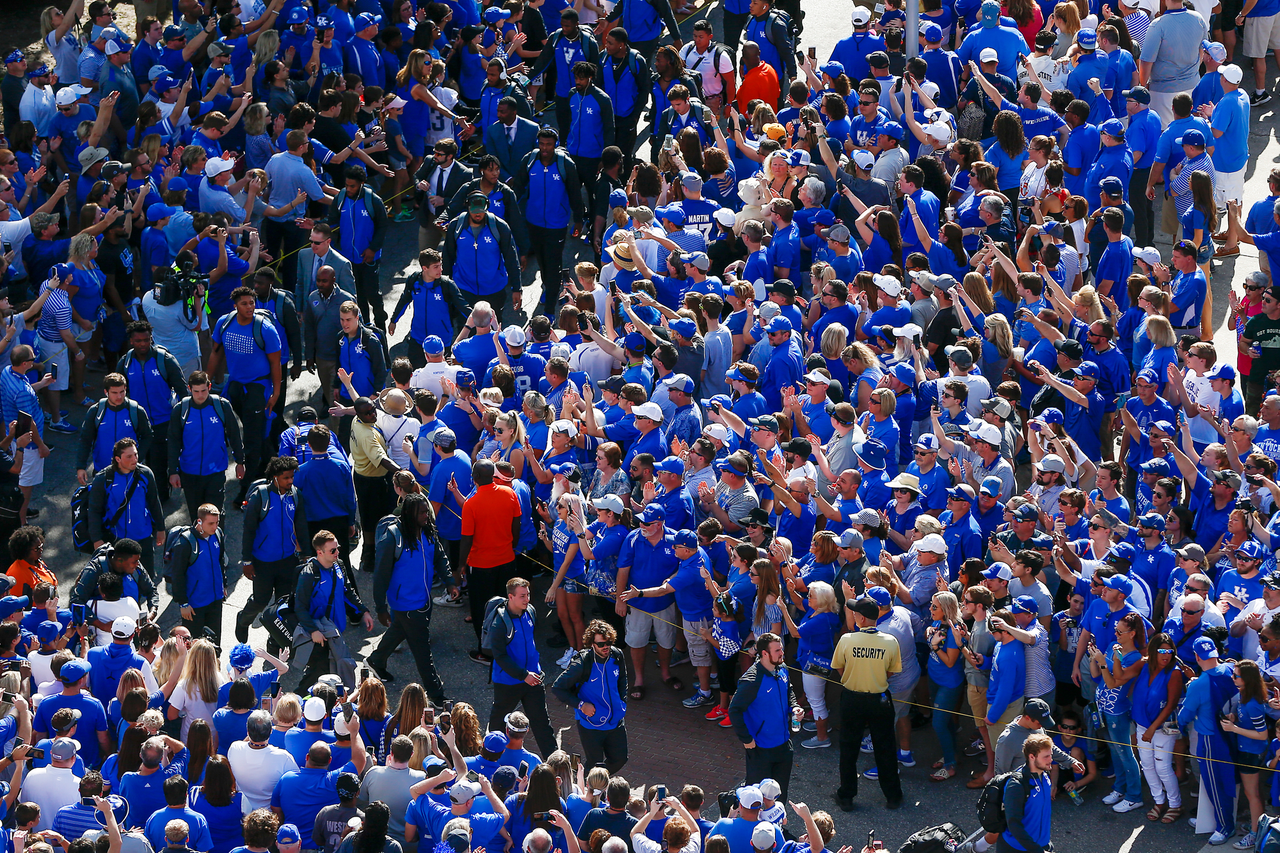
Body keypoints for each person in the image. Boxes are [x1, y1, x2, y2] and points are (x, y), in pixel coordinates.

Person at [372, 493, 451, 706]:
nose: (427, 515)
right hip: (406, 603)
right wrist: (380, 607)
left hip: (423, 599)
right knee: (422, 649)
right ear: (409, 513)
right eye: (422, 512)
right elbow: (380, 575)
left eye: (427, 511)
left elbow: (439, 556)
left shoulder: (427, 531)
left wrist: (450, 581)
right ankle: (436, 694)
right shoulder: (392, 538)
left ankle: (376, 660)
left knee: (400, 629)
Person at [208, 286, 283, 504]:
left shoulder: (265, 329)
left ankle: (247, 489)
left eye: (252, 303)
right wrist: (205, 379)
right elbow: (215, 353)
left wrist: (276, 393)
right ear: (235, 306)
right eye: (244, 303)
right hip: (235, 386)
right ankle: (272, 461)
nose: (250, 307)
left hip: (258, 388)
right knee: (246, 430)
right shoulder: (225, 323)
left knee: (251, 438)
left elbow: (275, 363)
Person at [831, 597, 903, 811]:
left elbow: (839, 668)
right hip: (879, 699)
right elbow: (890, 672)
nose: (852, 615)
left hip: (852, 698)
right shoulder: (890, 642)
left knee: (848, 748)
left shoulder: (847, 640)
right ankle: (893, 796)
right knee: (885, 748)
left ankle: (846, 796)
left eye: (855, 613)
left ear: (861, 618)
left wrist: (853, 677)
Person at [236, 455, 307, 645]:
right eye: (286, 478)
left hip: (288, 560)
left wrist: (306, 554)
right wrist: (247, 561)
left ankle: (275, 640)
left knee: (282, 604)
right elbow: (249, 530)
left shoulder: (296, 495)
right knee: (260, 600)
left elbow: (301, 527)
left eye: (292, 477)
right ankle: (243, 620)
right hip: (263, 562)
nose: (290, 481)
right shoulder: (260, 497)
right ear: (275, 477)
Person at [482, 577, 557, 756]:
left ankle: (555, 762)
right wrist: (523, 675)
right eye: (522, 596)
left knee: (541, 723)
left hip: (533, 679)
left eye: (528, 594)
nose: (527, 599)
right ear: (511, 597)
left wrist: (533, 671)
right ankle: (491, 758)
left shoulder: (530, 611)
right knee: (498, 724)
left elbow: (530, 643)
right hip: (508, 682)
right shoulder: (499, 624)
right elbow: (499, 656)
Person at [293, 529, 374, 689]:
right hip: (319, 634)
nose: (337, 552)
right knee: (318, 672)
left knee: (330, 671)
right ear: (320, 552)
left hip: (334, 630)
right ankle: (296, 701)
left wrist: (363, 611)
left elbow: (347, 592)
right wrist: (313, 631)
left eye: (338, 548)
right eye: (333, 550)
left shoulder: (339, 566)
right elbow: (300, 607)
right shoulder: (309, 575)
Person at [461, 458, 523, 660]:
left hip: (480, 566)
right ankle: (507, 643)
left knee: (482, 610)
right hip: (506, 561)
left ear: (475, 478)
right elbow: (517, 524)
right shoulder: (509, 494)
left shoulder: (471, 505)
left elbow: (467, 539)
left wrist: (461, 565)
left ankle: (486, 652)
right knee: (505, 606)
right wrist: (511, 546)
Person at [551, 619, 629, 773]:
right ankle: (586, 782)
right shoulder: (582, 663)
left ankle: (589, 778)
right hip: (590, 725)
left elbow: (622, 678)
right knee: (595, 765)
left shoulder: (617, 655)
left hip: (615, 720)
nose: (605, 647)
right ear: (592, 643)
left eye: (608, 642)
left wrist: (622, 702)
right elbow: (558, 688)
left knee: (620, 758)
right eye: (600, 644)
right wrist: (581, 705)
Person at [727, 632, 796, 801]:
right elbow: (734, 710)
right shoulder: (752, 680)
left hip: (784, 744)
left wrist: (795, 707)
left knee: (780, 794)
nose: (782, 653)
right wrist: (746, 739)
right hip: (761, 749)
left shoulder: (782, 669)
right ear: (764, 653)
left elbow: (789, 690)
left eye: (781, 649)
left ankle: (778, 825)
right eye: (778, 650)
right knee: (757, 797)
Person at [168, 371, 244, 522]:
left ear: (209, 386)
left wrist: (240, 462)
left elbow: (234, 435)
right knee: (197, 518)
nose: (200, 395)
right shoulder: (181, 410)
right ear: (189, 389)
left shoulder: (221, 406)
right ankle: (199, 545)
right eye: (196, 391)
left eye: (203, 390)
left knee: (215, 515)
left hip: (215, 471)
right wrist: (173, 471)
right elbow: (173, 441)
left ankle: (217, 544)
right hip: (190, 472)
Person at [86, 438, 166, 574]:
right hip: (117, 540)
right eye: (129, 456)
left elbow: (154, 503)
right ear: (118, 459)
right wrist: (96, 539)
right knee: (121, 581)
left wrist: (161, 529)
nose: (134, 459)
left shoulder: (145, 474)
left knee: (147, 579)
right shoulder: (103, 479)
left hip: (143, 537)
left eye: (135, 454)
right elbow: (94, 510)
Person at [228, 710, 300, 814]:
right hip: (270, 817)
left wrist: (253, 732)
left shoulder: (234, 748)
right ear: (271, 730)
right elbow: (295, 787)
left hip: (241, 814)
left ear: (247, 732)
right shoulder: (284, 758)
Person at [998, 734, 1055, 853]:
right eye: (1046, 756)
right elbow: (1014, 825)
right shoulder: (1017, 785)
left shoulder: (1044, 776)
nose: (1051, 760)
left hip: (1041, 845)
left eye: (1051, 755)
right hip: (1016, 848)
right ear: (1032, 757)